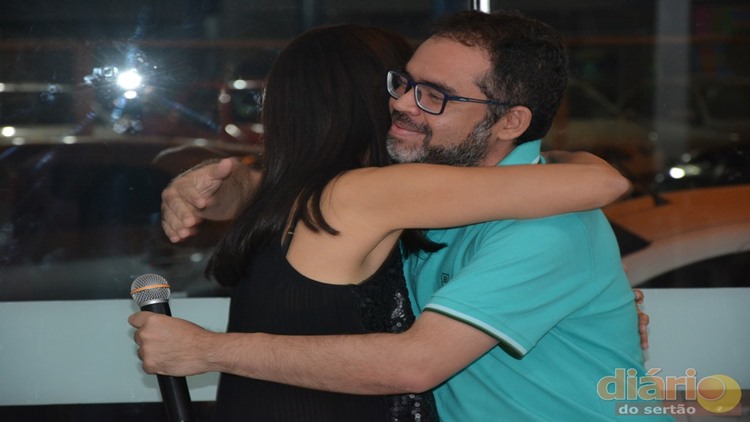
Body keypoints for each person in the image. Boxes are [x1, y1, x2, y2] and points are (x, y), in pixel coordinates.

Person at [131, 11, 661, 421]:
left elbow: (415, 363)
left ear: (510, 122)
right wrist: (221, 185)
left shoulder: (544, 225)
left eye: (435, 96)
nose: (403, 103)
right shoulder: (431, 192)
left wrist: (207, 350)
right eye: (403, 84)